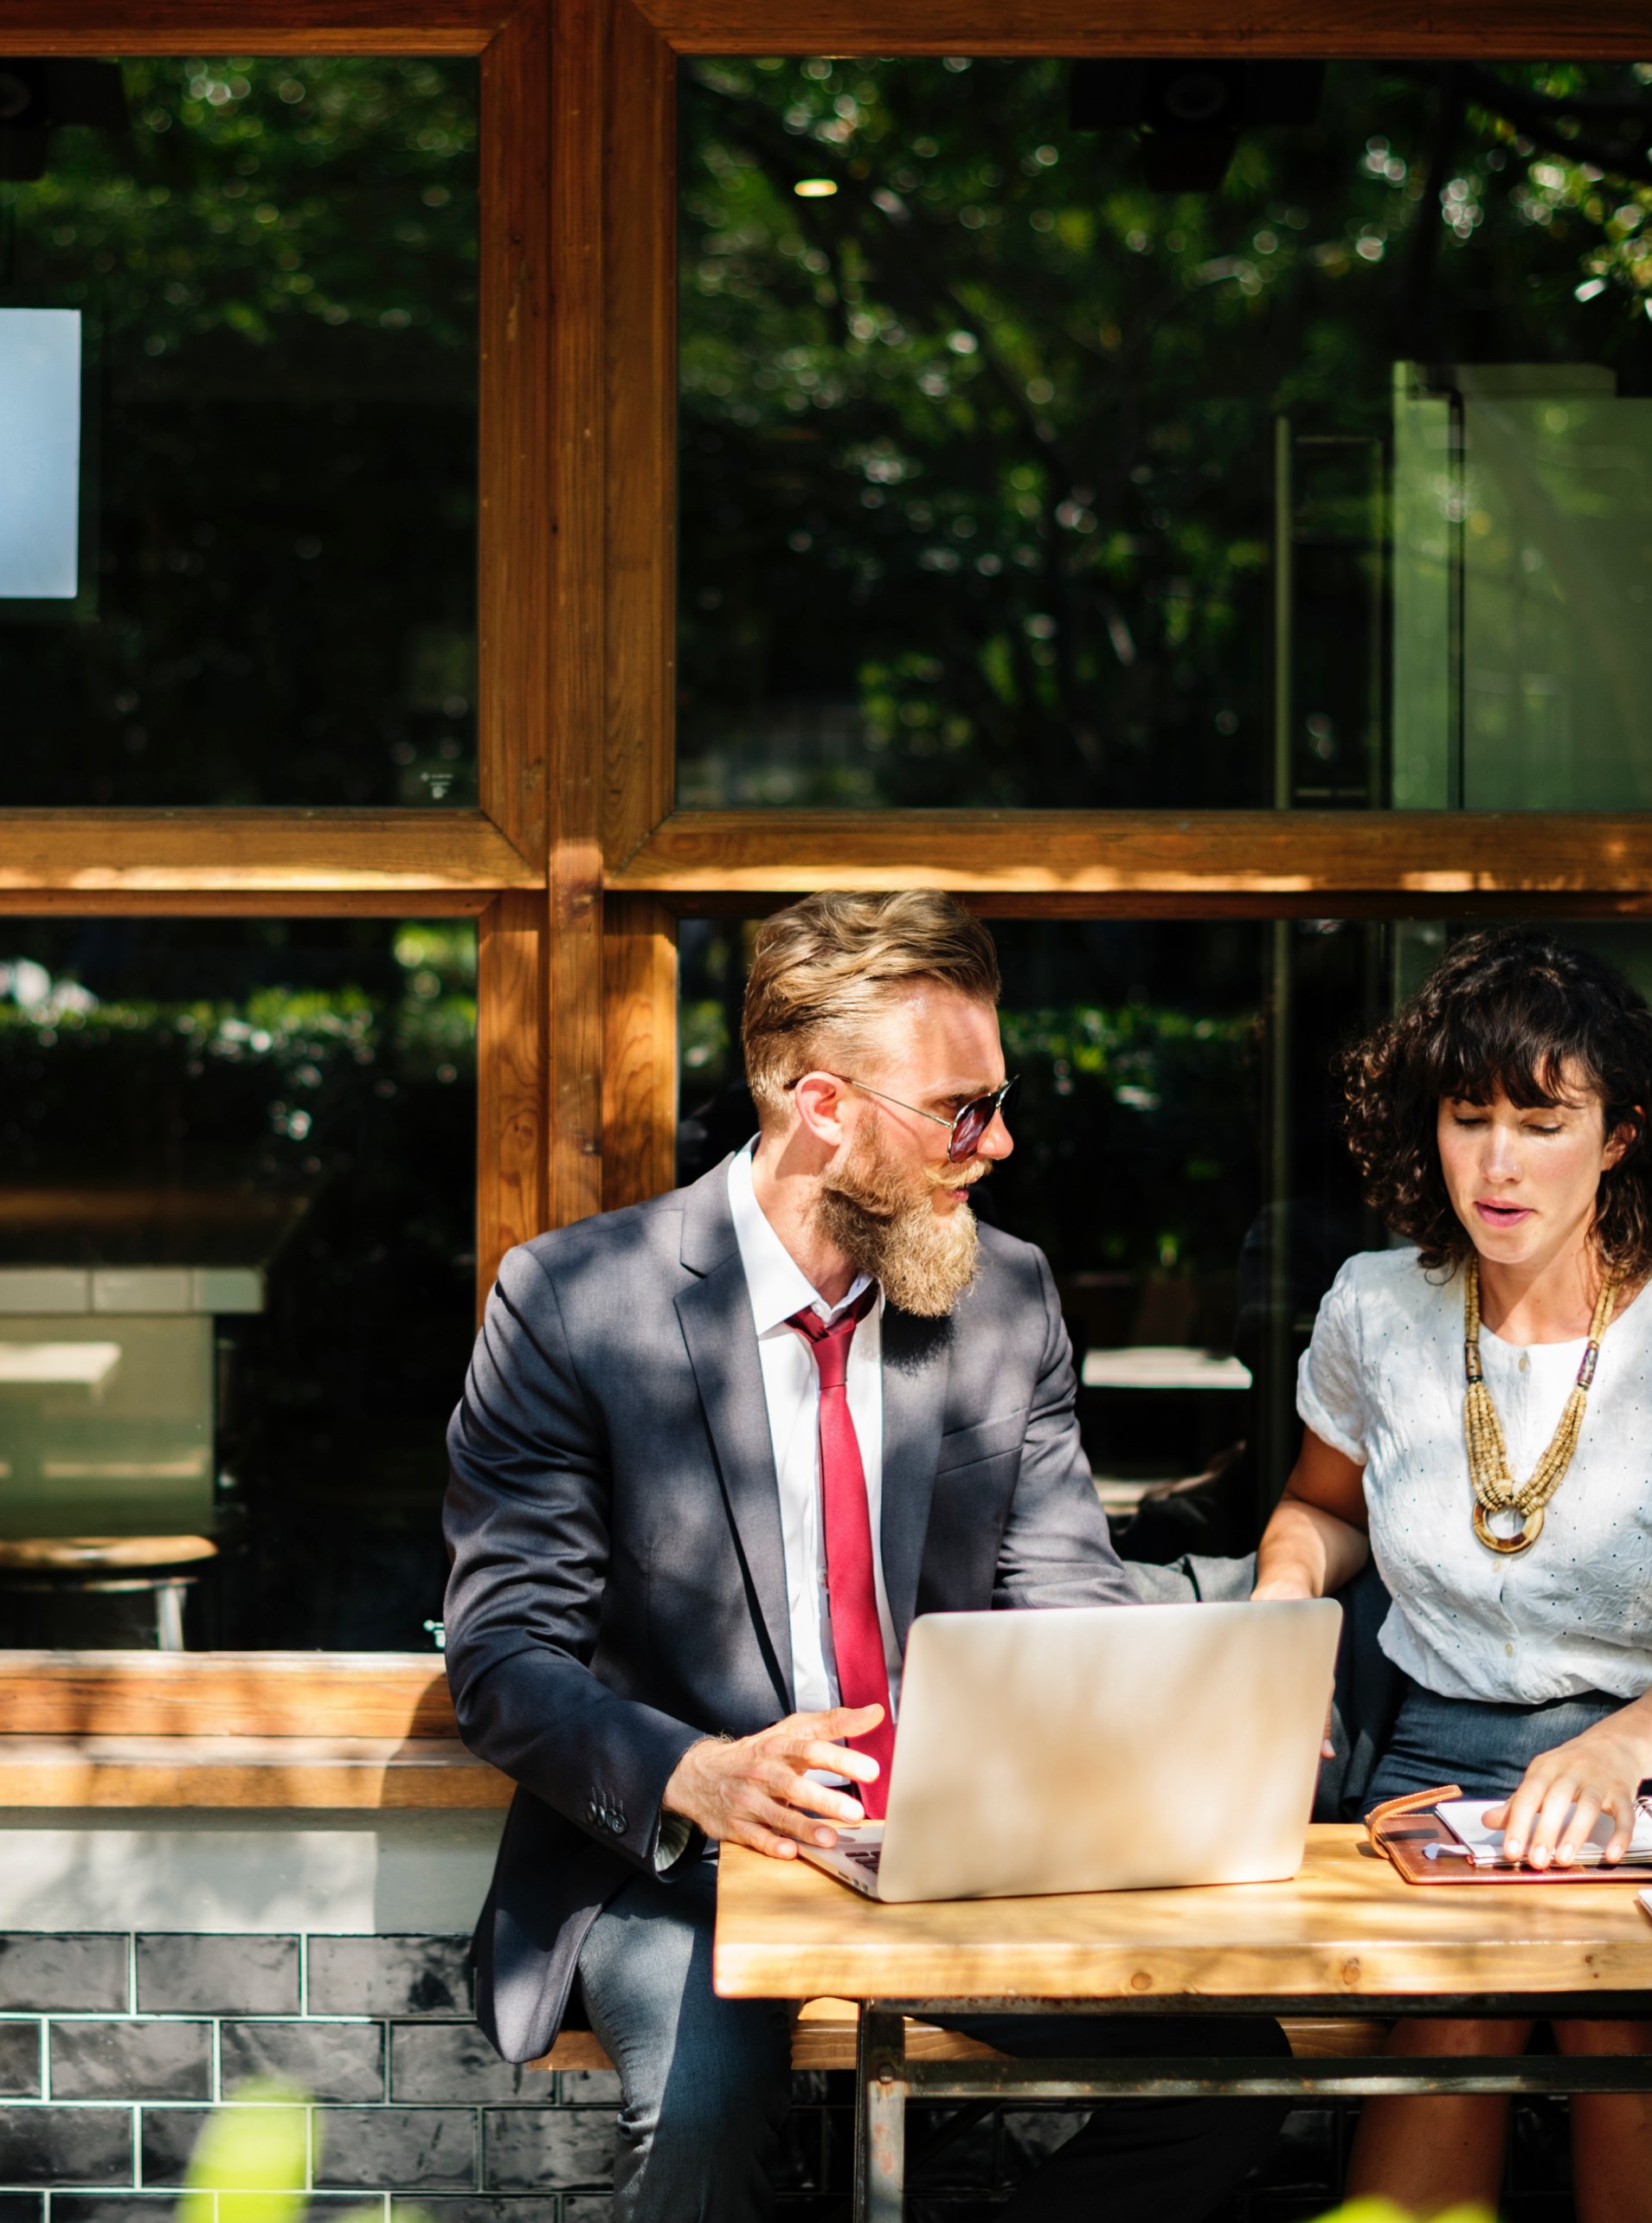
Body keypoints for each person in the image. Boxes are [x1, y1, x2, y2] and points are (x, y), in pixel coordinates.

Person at [443, 890, 1286, 2223]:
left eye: (998, 1099)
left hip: (944, 1853)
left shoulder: (1005, 1299)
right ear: (823, 1106)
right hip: (688, 1865)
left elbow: (1062, 1607)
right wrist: (696, 1775)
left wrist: (1171, 1735)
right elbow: (501, 1658)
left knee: (1226, 2079)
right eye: (961, 1108)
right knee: (706, 2119)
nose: (997, 1141)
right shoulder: (571, 1305)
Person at [1250, 929, 1652, 2223]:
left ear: (1620, 1137)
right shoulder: (1374, 1310)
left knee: (1609, 2005)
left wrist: (1612, 1757)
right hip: (1433, 1766)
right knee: (1462, 2004)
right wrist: (1285, 1599)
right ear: (1428, 1129)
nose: (1498, 1162)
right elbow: (1317, 1510)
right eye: (1468, 1116)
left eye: (1542, 1120)